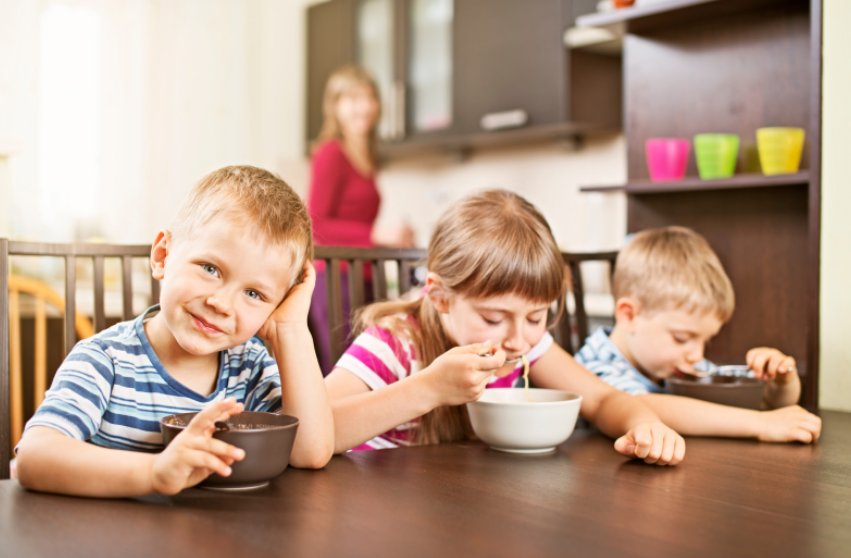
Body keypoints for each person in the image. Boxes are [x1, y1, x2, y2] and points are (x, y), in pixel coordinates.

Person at [15, 166, 335, 497]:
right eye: (210, 269)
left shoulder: (250, 367)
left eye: (254, 294)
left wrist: (292, 328)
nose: (221, 303)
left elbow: (308, 453)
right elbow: (34, 457)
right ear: (162, 256)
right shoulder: (105, 361)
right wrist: (155, 472)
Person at [325, 190, 686, 466]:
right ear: (440, 297)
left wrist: (644, 424)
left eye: (535, 317)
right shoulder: (396, 343)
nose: (517, 340)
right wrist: (429, 388)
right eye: (493, 319)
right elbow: (307, 429)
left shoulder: (528, 344)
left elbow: (603, 399)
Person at [574, 226, 822, 443]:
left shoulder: (684, 362)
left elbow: (767, 406)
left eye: (706, 340)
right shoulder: (594, 365)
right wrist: (760, 424)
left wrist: (781, 379)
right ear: (629, 316)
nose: (697, 355)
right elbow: (641, 407)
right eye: (681, 338)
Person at [307, 65, 414, 374]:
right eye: (353, 99)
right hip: (334, 277)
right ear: (335, 106)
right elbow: (316, 222)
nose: (365, 106)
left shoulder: (367, 156)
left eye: (370, 98)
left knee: (366, 368)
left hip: (363, 274)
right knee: (343, 370)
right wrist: (378, 234)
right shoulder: (331, 153)